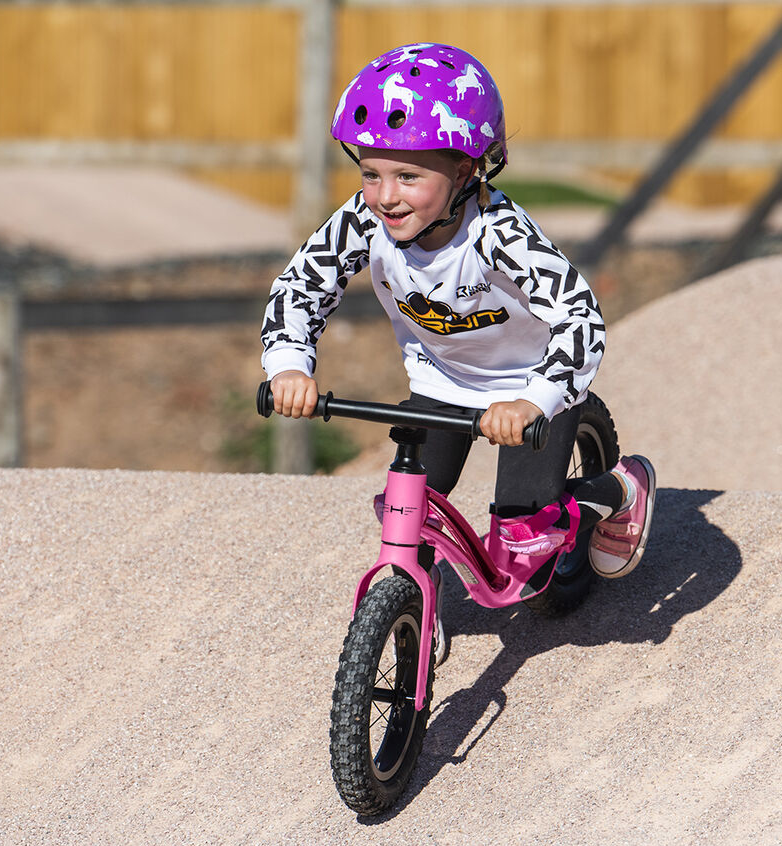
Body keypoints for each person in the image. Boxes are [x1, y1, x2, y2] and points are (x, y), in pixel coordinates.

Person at [260, 42, 655, 640]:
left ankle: (620, 488)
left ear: (467, 171)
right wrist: (290, 365)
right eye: (370, 173)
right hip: (439, 380)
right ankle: (414, 612)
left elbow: (580, 317)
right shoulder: (365, 220)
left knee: (524, 540)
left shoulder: (499, 233)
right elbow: (302, 285)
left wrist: (534, 400)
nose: (384, 196)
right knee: (408, 506)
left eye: (408, 176)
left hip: (526, 385)